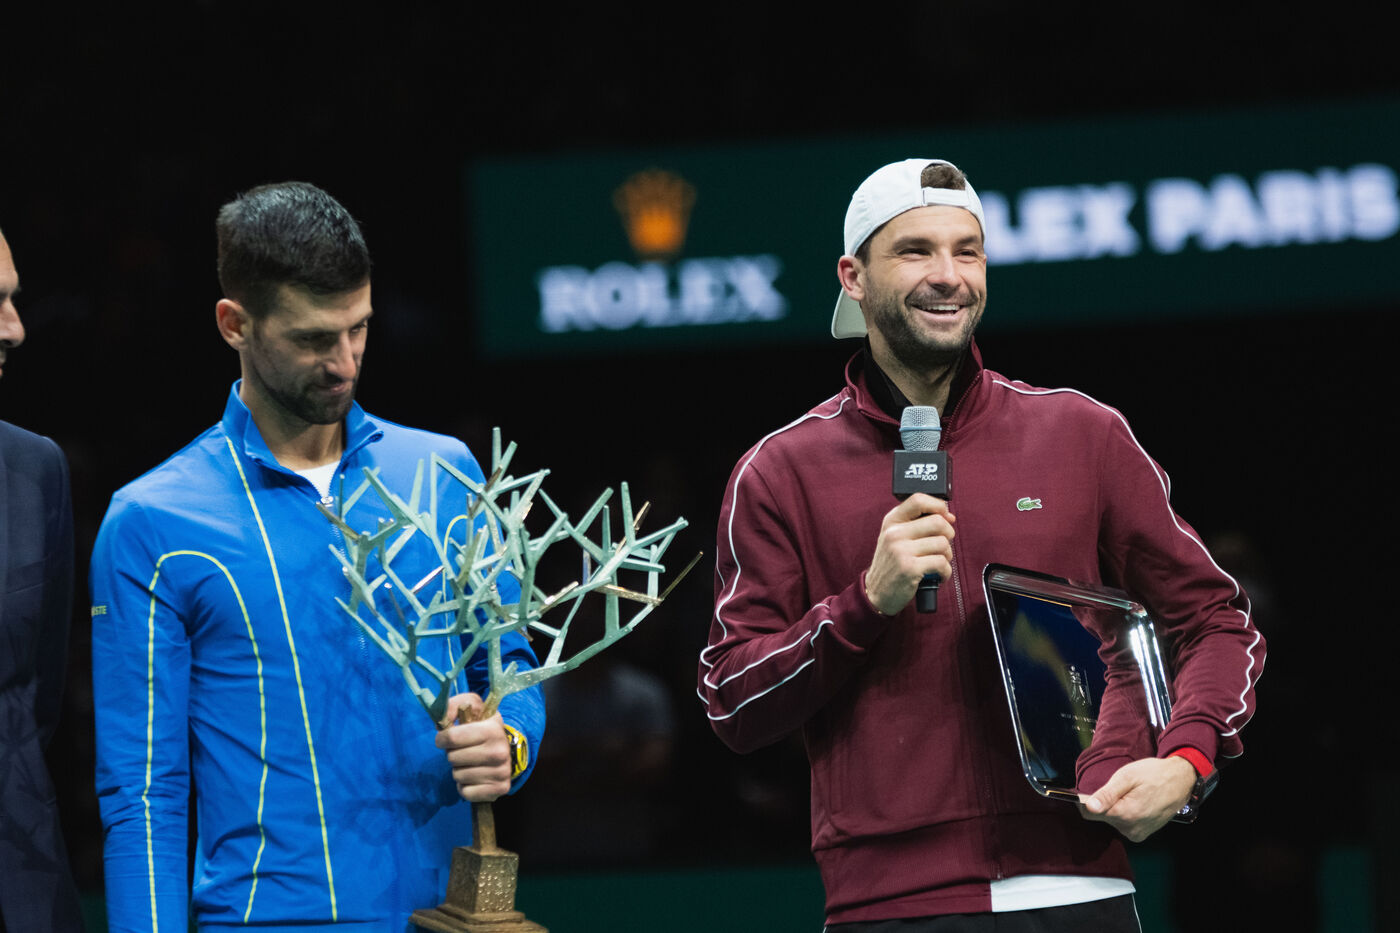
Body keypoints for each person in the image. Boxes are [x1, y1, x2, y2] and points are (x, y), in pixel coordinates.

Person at [697, 159, 1264, 930]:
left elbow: (1216, 621)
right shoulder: (780, 471)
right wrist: (863, 605)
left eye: (967, 251)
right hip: (892, 905)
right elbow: (732, 699)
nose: (948, 274)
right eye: (916, 250)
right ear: (853, 276)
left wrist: (1187, 759)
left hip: (1080, 887)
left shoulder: (1082, 433)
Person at [90, 183, 545, 932]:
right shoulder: (152, 522)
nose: (343, 362)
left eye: (358, 329)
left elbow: (511, 666)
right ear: (234, 324)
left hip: (449, 917)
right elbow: (143, 794)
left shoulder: (446, 472)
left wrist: (510, 741)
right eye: (311, 339)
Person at [0, 226, 84, 933]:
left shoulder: (37, 470)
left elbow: (39, 699)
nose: (16, 328)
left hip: (22, 886)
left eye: (13, 299)